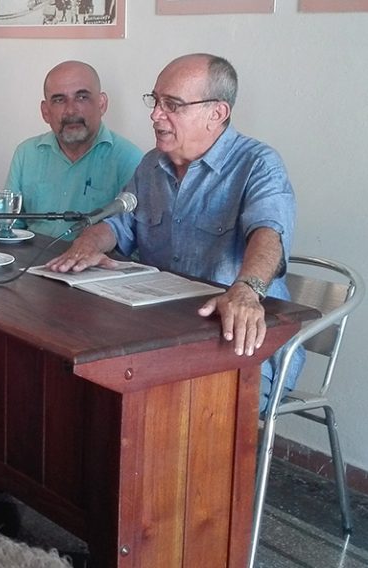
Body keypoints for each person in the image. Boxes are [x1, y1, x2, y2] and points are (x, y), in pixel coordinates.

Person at [46, 53, 303, 413]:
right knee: (81, 381)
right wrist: (88, 243)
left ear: (217, 113)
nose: (155, 115)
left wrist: (247, 290)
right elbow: (120, 223)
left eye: (173, 105)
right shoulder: (153, 164)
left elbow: (269, 233)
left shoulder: (258, 165)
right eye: (155, 101)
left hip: (238, 342)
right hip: (160, 335)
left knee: (168, 413)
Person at [4, 61, 143, 239]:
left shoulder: (129, 159)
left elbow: (132, 238)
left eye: (82, 97)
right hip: (32, 262)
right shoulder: (26, 154)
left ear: (101, 104)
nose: (71, 110)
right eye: (59, 100)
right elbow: (9, 228)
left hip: (97, 264)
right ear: (45, 112)